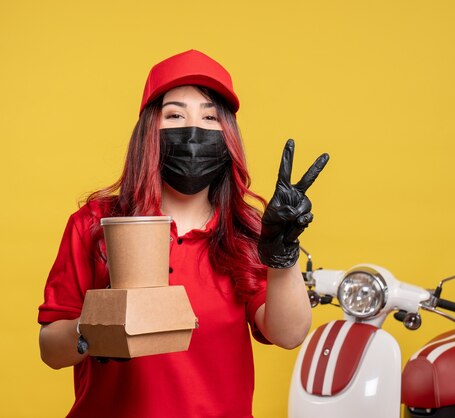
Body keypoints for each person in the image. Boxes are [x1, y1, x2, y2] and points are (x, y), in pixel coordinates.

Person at [38, 49, 329, 418]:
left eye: (210, 117)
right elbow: (50, 349)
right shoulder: (95, 224)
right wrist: (95, 329)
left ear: (228, 137)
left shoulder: (247, 231)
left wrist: (282, 254)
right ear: (149, 133)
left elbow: (288, 335)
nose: (193, 132)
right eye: (174, 114)